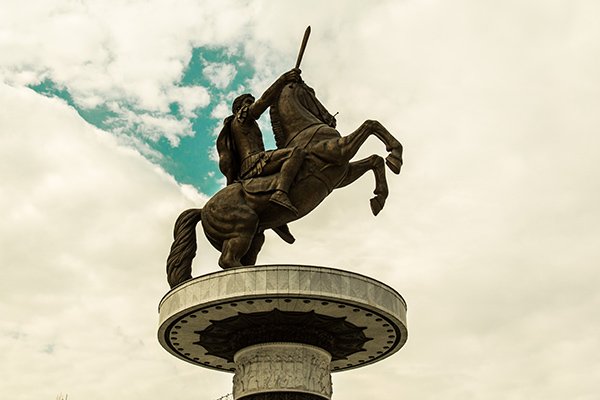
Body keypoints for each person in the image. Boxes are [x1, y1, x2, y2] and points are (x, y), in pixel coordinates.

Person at [217, 68, 305, 216]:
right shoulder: (241, 117)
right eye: (248, 102)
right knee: (296, 153)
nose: (251, 104)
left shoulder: (242, 123)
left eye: (252, 101)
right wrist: (283, 79)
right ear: (238, 108)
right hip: (254, 162)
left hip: (256, 161)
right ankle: (280, 194)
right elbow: (264, 101)